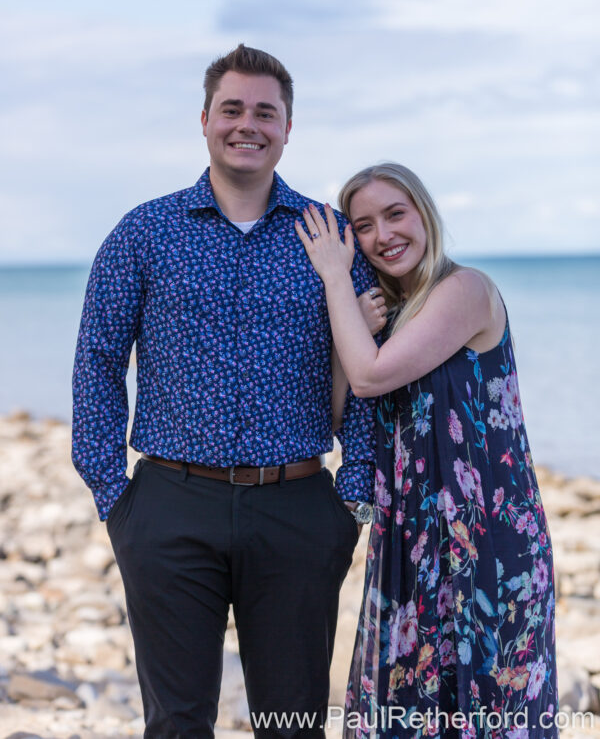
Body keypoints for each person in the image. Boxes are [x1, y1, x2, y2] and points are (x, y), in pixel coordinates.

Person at [71, 45, 377, 739]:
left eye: (265, 112)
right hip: (169, 509)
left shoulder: (328, 236)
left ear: (288, 127)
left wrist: (352, 495)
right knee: (177, 722)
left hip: (299, 507)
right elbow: (97, 358)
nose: (249, 124)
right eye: (232, 109)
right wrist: (112, 494)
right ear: (205, 119)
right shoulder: (144, 232)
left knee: (291, 723)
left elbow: (367, 368)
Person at [295, 163, 558, 738]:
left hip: (486, 540)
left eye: (395, 214)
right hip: (408, 540)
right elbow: (341, 414)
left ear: (424, 213)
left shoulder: (464, 291)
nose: (383, 235)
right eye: (363, 226)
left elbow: (372, 377)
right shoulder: (383, 318)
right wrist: (351, 331)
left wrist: (334, 278)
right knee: (406, 710)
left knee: (489, 709)